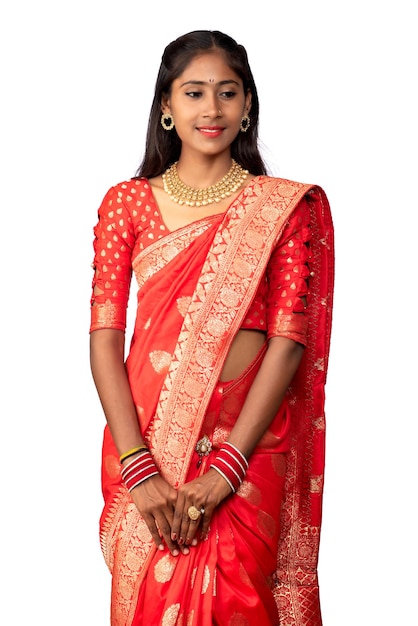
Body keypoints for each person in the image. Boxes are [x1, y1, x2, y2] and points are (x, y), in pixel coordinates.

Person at [89, 29, 334, 626]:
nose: (212, 109)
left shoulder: (279, 206)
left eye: (227, 93)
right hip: (150, 447)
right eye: (194, 93)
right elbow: (103, 340)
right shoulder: (127, 203)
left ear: (247, 106)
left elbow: (288, 341)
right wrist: (138, 466)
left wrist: (228, 465)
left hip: (248, 450)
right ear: (167, 108)